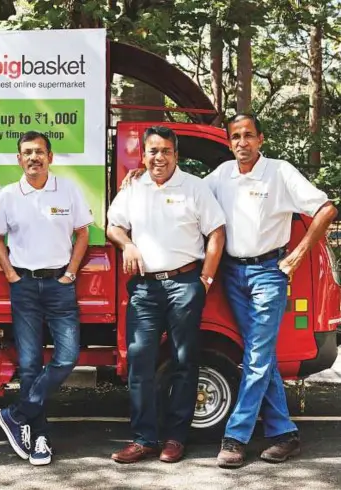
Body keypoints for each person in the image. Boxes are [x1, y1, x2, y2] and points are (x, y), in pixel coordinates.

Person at [205, 114, 338, 468]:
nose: (242, 142)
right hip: (232, 274)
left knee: (258, 356)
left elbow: (326, 209)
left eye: (249, 135)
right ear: (229, 141)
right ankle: (285, 433)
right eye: (236, 136)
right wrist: (140, 179)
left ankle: (235, 437)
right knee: (257, 356)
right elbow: (188, 195)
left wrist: (297, 255)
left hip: (269, 274)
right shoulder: (221, 175)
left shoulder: (280, 172)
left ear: (261, 140)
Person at [107, 126, 226, 464]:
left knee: (184, 363)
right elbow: (113, 224)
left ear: (176, 154)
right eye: (152, 151)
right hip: (144, 288)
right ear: (143, 155)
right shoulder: (134, 188)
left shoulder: (195, 187)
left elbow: (216, 231)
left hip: (184, 284)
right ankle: (144, 439)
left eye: (165, 151)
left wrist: (205, 278)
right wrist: (127, 244)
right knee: (140, 361)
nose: (158, 157)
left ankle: (176, 439)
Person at [0, 131, 92, 466]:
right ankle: (40, 439)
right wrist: (10, 274)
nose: (33, 157)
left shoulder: (68, 189)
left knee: (67, 356)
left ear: (50, 156)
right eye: (26, 152)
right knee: (30, 364)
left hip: (59, 284)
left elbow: (82, 233)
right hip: (24, 287)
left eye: (39, 152)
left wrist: (71, 273)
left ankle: (16, 413)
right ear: (19, 158)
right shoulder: (8, 195)